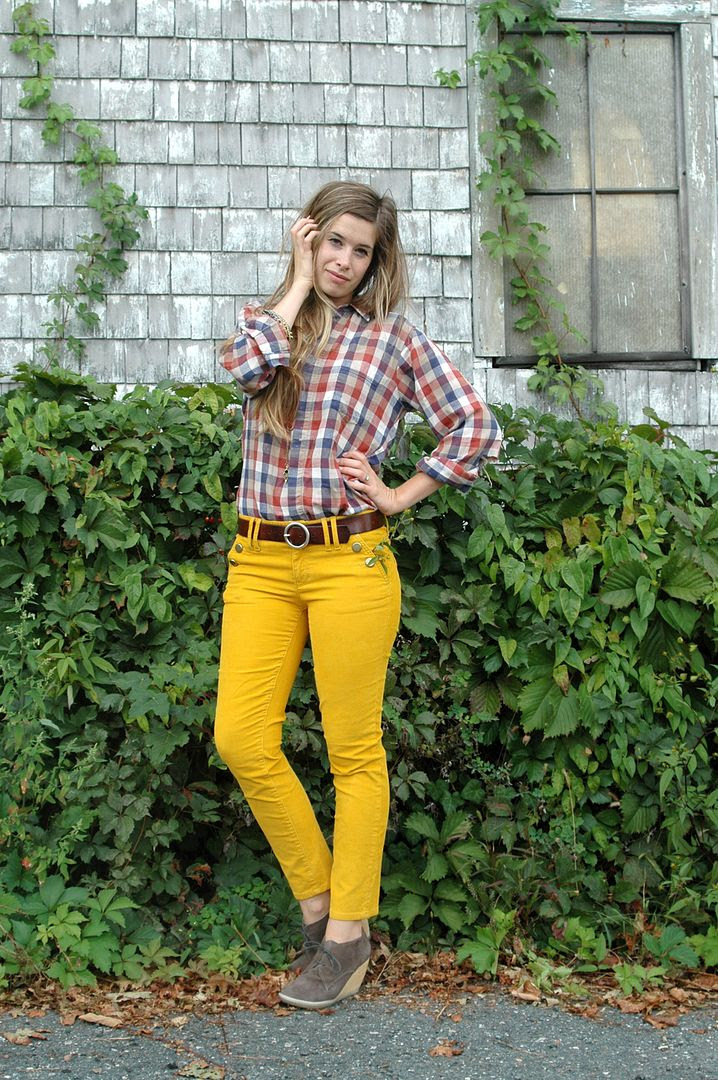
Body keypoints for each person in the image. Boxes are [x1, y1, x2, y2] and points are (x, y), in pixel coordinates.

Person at [213, 180, 502, 1010]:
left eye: (359, 250)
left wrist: (401, 493)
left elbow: (475, 426)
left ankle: (346, 934)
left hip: (350, 560)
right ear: (310, 238)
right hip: (260, 561)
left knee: (353, 752)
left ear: (378, 261)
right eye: (332, 241)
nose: (344, 260)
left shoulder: (393, 341)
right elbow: (242, 370)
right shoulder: (268, 326)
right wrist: (297, 284)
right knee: (241, 738)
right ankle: (318, 903)